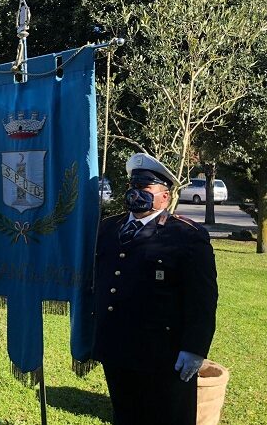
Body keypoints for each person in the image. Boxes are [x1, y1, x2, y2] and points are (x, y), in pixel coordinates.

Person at [93, 153, 218, 425]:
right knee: (126, 415)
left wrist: (194, 348)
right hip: (117, 348)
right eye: (132, 187)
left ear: (165, 196)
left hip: (163, 354)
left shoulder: (186, 235)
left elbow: (203, 299)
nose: (135, 194)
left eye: (144, 188)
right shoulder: (109, 228)